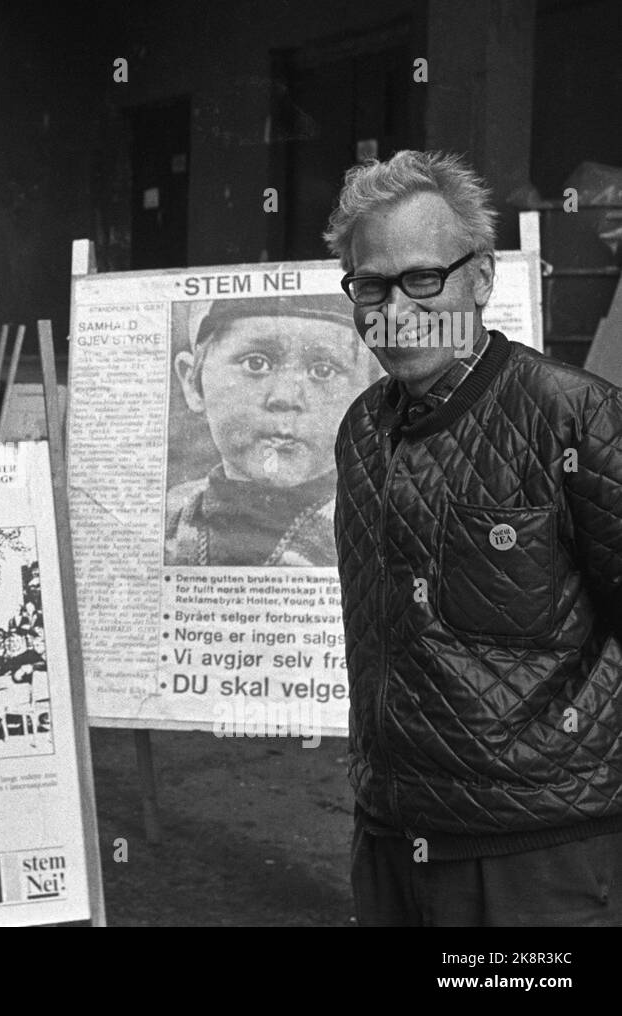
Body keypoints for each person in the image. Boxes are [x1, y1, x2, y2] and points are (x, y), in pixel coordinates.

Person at [327, 149, 622, 926]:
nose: (395, 309)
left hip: (536, 863)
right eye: (370, 284)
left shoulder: (576, 418)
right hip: (390, 842)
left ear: (482, 279)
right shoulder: (361, 431)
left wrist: (551, 763)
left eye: (424, 278)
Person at [165, 293, 381, 566]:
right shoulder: (165, 520)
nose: (286, 397)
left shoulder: (379, 527)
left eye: (323, 370)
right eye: (256, 363)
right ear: (193, 383)